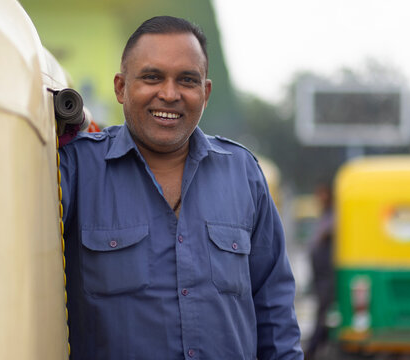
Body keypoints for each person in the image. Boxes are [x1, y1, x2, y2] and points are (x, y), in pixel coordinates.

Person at [59, 16, 303, 359]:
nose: (169, 94)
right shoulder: (74, 170)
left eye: (186, 80)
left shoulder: (243, 173)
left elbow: (275, 308)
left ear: (204, 93)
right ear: (120, 87)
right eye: (152, 77)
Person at [305, 183, 335, 359]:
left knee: (323, 315)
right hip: (320, 278)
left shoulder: (334, 216)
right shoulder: (325, 215)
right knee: (322, 314)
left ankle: (311, 350)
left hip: (328, 277)